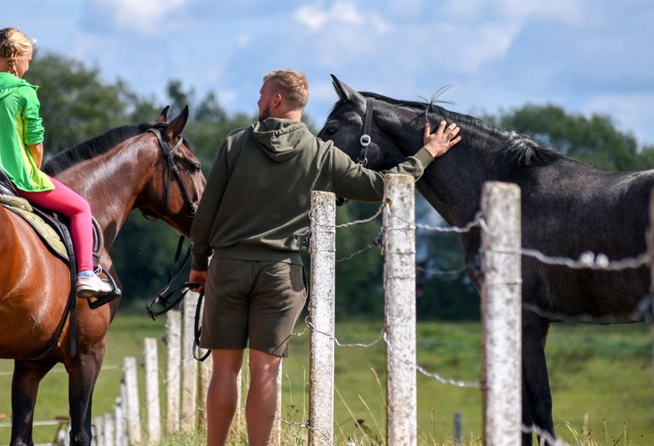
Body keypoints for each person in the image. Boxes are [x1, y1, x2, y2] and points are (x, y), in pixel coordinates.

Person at [188, 69, 460, 446]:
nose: (257, 100)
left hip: (229, 267)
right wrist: (426, 154)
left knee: (224, 371)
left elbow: (206, 215)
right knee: (264, 372)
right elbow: (384, 186)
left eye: (261, 94)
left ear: (276, 100)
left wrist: (199, 263)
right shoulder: (321, 154)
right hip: (282, 275)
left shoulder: (235, 144)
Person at [0, 27, 113, 299]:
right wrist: (34, 170)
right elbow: (35, 143)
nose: (28, 66)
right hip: (14, 176)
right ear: (15, 57)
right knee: (81, 207)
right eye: (28, 60)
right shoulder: (23, 92)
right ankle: (87, 275)